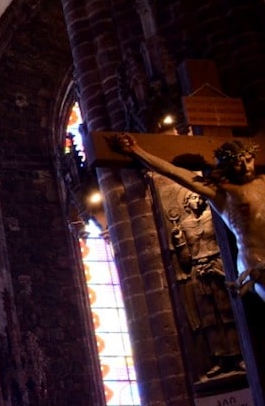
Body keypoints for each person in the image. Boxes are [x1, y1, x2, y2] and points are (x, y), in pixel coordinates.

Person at [113, 133, 265, 300]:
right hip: (255, 259)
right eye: (238, 163)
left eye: (249, 160)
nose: (246, 167)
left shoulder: (263, 182)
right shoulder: (220, 193)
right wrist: (136, 150)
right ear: (227, 166)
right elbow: (173, 172)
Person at [170, 190, 242, 377]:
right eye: (193, 197)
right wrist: (179, 242)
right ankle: (220, 358)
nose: (198, 200)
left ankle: (237, 356)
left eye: (199, 197)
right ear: (186, 203)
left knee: (227, 311)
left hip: (218, 263)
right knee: (208, 317)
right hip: (198, 270)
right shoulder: (184, 225)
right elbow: (185, 261)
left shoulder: (214, 216)